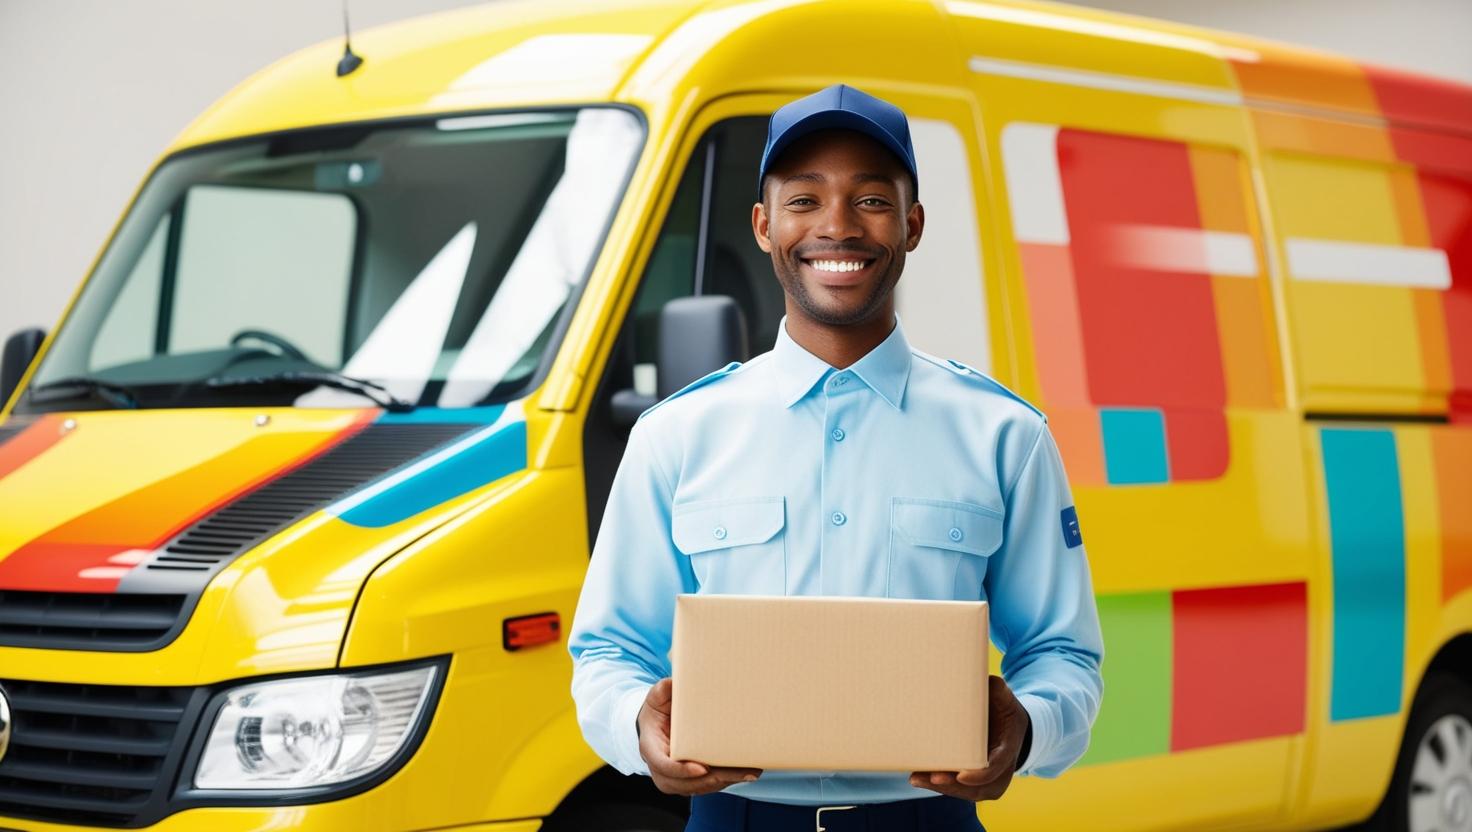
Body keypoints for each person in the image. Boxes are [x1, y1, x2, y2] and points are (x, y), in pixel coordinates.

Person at [568, 84, 1104, 832]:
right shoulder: (676, 437)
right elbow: (608, 651)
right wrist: (635, 724)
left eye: (872, 200)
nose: (838, 227)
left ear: (912, 226)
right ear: (764, 225)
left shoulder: (1005, 436)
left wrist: (1029, 729)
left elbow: (1064, 656)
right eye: (804, 200)